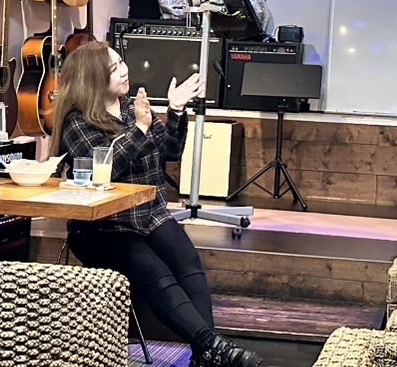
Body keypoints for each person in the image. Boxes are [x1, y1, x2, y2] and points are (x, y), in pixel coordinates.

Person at [50, 41, 262, 367]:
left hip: (149, 214)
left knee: (188, 261)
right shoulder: (78, 122)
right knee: (155, 271)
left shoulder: (130, 109)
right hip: (104, 226)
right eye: (114, 68)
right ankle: (212, 346)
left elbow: (170, 151)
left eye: (121, 62)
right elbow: (104, 169)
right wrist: (140, 128)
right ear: (94, 78)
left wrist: (176, 111)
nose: (125, 71)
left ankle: (206, 354)